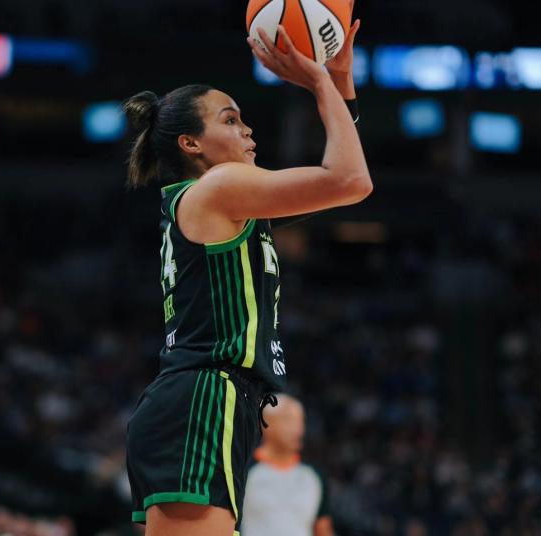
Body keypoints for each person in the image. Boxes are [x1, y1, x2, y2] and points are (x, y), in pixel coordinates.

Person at [124, 5, 369, 535]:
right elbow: (351, 179)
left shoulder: (224, 199)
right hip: (201, 400)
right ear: (191, 144)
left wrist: (341, 82)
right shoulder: (217, 188)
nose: (248, 128)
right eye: (230, 120)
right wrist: (320, 79)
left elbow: (339, 187)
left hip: (213, 402)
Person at [240, 395, 334, 536]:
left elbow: (323, 530)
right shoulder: (243, 471)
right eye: (288, 419)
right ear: (265, 423)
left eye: (301, 421)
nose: (298, 429)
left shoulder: (314, 476)